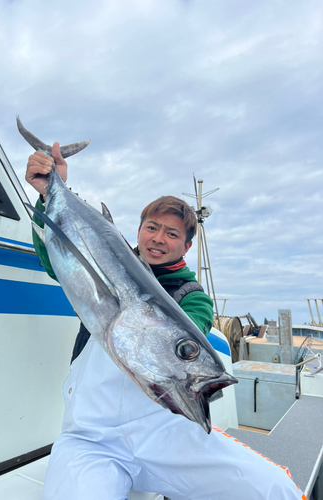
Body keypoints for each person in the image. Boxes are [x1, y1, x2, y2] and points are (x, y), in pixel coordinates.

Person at [26, 143, 307, 500]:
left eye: (172, 234)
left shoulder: (193, 296)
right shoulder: (105, 260)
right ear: (139, 230)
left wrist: (187, 355)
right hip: (90, 437)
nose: (159, 239)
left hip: (165, 433)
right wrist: (48, 192)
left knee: (274, 489)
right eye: (152, 228)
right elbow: (56, 261)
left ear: (187, 246)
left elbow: (192, 327)